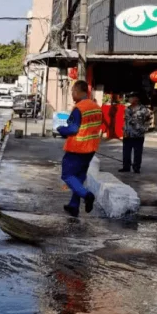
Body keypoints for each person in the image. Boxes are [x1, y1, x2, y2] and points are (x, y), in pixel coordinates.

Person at [57, 80, 103, 218]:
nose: (72, 94)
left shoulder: (79, 108)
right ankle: (73, 206)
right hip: (90, 148)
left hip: (77, 148)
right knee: (79, 177)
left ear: (78, 91)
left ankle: (86, 195)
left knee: (67, 175)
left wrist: (61, 129)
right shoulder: (96, 107)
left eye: (72, 91)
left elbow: (73, 128)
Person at [120, 92, 152, 174]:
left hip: (138, 135)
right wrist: (124, 130)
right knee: (126, 152)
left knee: (138, 152)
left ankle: (136, 167)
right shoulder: (127, 109)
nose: (130, 99)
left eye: (131, 97)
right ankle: (126, 167)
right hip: (128, 134)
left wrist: (144, 129)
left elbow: (149, 120)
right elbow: (125, 121)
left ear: (137, 99)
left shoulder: (144, 110)